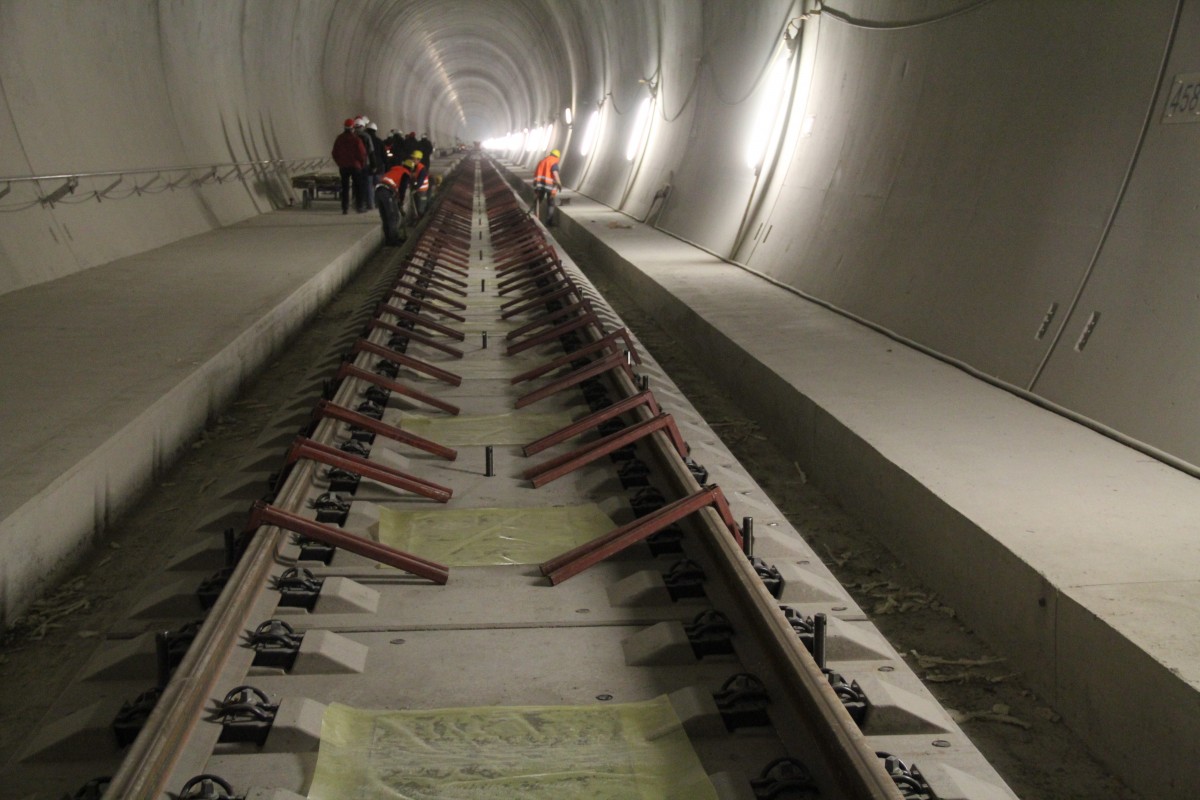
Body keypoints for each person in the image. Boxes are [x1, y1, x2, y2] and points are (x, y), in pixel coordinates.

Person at [331, 117, 367, 214]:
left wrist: (340, 163)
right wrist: (362, 164)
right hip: (355, 166)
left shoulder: (339, 138)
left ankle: (345, 207)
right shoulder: (356, 139)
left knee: (345, 187)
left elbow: (334, 153)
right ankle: (360, 206)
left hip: (344, 167)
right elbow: (362, 153)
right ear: (352, 128)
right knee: (358, 187)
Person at [376, 160, 416, 245]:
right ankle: (394, 240)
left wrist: (398, 202)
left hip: (379, 191)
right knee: (394, 217)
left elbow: (395, 189)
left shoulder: (396, 170)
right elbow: (402, 189)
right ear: (411, 169)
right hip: (386, 192)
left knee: (386, 217)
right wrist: (401, 201)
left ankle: (388, 240)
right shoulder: (405, 174)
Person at [353, 117, 379, 210]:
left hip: (354, 164)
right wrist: (374, 165)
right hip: (365, 163)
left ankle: (358, 204)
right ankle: (370, 204)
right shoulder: (366, 136)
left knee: (356, 185)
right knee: (368, 184)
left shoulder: (352, 136)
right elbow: (371, 152)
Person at [533, 148, 563, 225]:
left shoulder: (542, 161)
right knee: (551, 203)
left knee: (538, 201)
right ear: (557, 157)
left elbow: (536, 173)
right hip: (550, 186)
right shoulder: (554, 162)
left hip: (540, 185)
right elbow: (555, 173)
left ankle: (535, 218)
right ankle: (549, 222)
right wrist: (559, 184)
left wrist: (535, 184)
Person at [365, 122, 388, 202]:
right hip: (379, 167)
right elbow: (384, 156)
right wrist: (386, 165)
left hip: (368, 167)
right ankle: (378, 203)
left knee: (369, 187)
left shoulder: (364, 140)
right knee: (378, 186)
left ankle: (370, 204)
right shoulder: (380, 141)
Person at [410, 151, 431, 218]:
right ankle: (419, 214)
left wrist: (415, 188)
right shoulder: (415, 166)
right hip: (418, 188)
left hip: (422, 189)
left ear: (418, 159)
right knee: (418, 202)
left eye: (414, 158)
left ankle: (421, 215)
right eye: (412, 158)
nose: (412, 160)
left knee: (421, 203)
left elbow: (420, 181)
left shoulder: (422, 168)